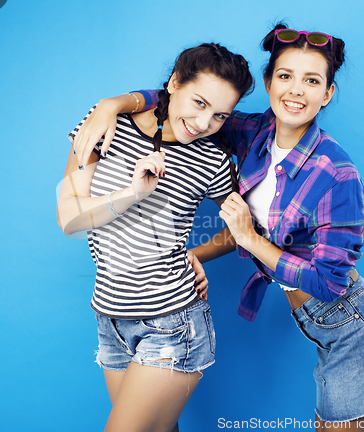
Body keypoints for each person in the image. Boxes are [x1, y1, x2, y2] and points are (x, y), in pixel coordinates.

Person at [73, 24, 364, 432]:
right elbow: (187, 100)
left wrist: (251, 240)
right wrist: (113, 104)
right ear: (268, 82)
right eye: (285, 76)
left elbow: (328, 285)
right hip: (321, 327)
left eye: (312, 80)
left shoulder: (336, 172)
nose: (296, 90)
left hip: (356, 328)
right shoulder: (253, 132)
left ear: (327, 93)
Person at [57, 43, 253, 432]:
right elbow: (69, 218)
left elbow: (244, 228)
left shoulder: (211, 160)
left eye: (219, 116)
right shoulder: (106, 127)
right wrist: (132, 194)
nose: (202, 123)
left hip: (172, 322)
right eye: (198, 102)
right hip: (110, 317)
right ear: (174, 83)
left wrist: (196, 253)